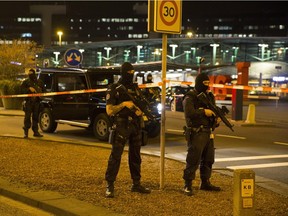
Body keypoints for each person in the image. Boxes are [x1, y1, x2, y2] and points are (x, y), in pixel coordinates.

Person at [104, 62, 151, 198]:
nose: (130, 75)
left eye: (132, 73)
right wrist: (124, 104)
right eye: (128, 73)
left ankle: (136, 184)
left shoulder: (135, 89)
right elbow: (109, 110)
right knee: (115, 156)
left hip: (135, 126)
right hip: (121, 125)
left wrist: (140, 112)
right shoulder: (114, 88)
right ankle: (110, 184)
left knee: (135, 156)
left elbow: (141, 105)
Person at [182, 73, 221, 196]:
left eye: (207, 83)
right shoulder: (190, 96)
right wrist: (203, 111)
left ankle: (205, 182)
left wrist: (216, 119)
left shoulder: (209, 96)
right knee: (193, 159)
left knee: (208, 159)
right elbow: (189, 112)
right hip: (196, 131)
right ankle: (187, 184)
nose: (206, 86)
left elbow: (213, 111)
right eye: (204, 83)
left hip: (208, 132)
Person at [21, 68, 45, 138]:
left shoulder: (39, 82)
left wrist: (40, 92)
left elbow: (44, 90)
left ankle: (36, 132)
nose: (30, 75)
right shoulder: (26, 82)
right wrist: (28, 89)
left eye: (31, 74)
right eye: (29, 74)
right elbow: (21, 90)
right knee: (27, 118)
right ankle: (26, 132)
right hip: (28, 102)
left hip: (37, 102)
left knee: (35, 117)